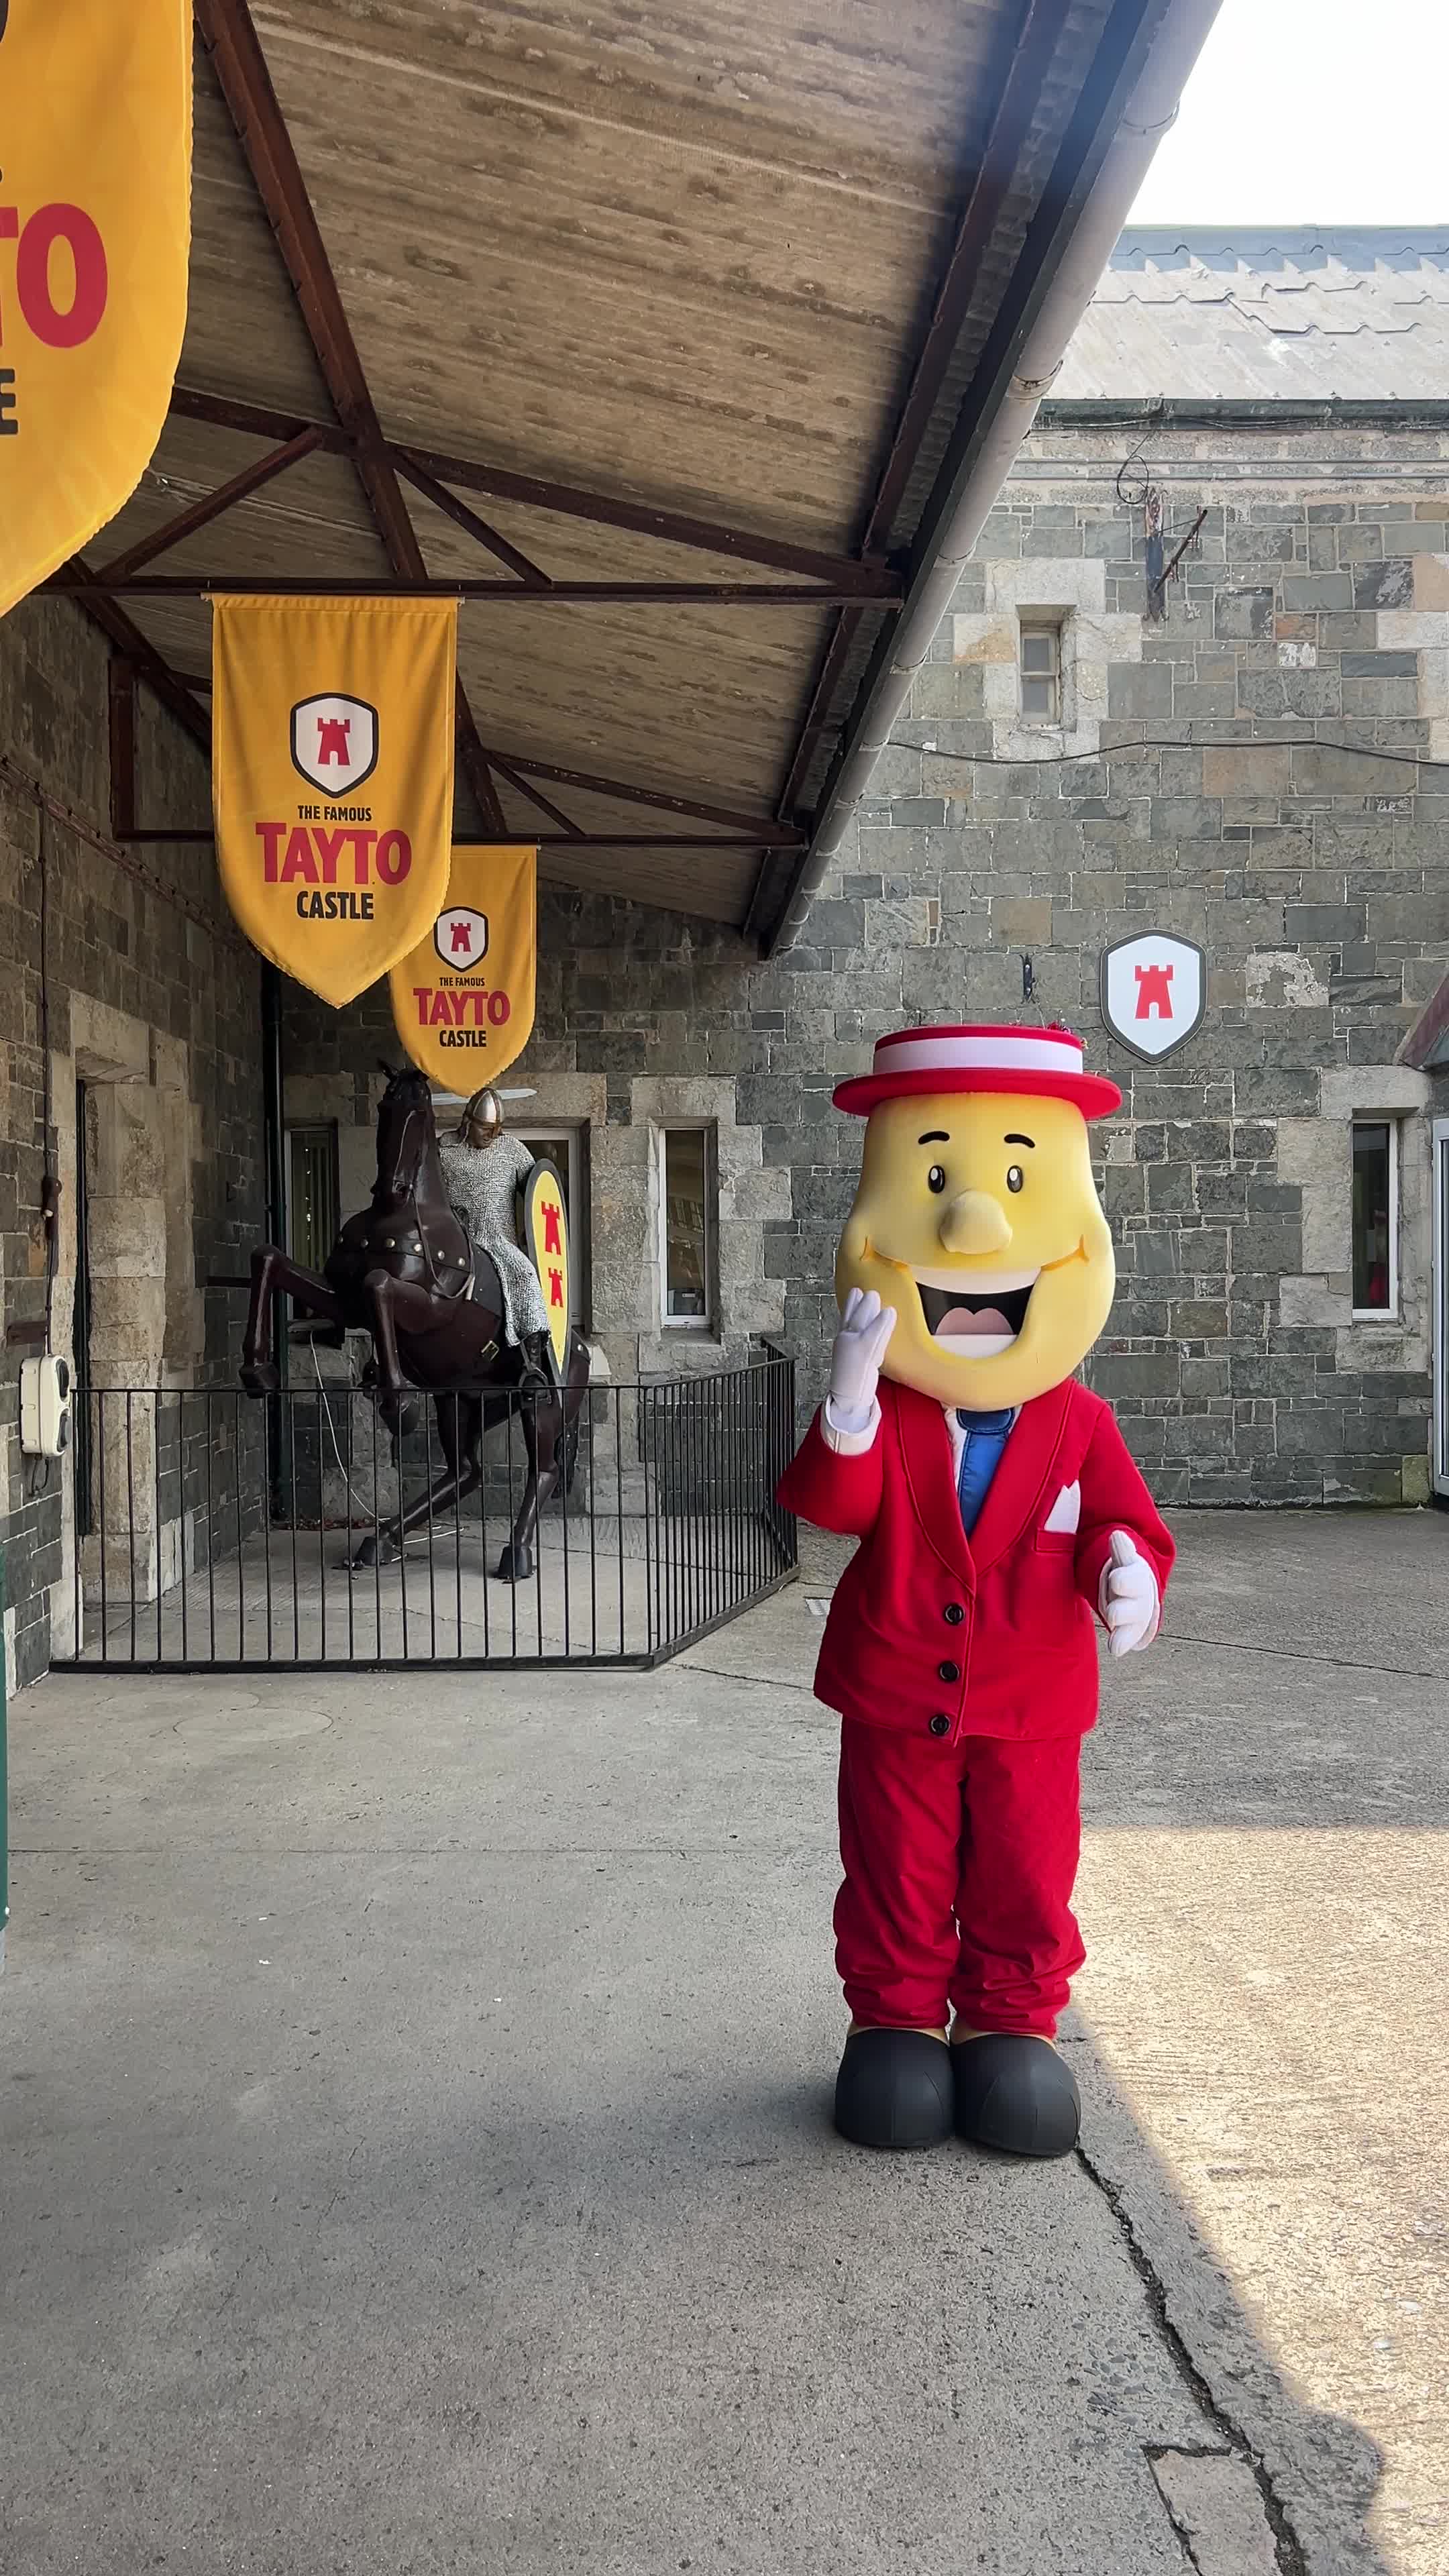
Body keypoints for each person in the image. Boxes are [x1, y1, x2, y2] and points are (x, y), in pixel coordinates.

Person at [777, 1021, 1174, 2161]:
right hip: (896, 1692)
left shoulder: (1080, 1421)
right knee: (894, 1869)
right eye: (939, 1179)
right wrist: (851, 1402)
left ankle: (1010, 2021)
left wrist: (1126, 1568)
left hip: (1031, 1708)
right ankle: (895, 2019)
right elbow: (833, 1506)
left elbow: (1124, 1523)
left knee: (1026, 1869)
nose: (973, 1224)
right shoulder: (890, 1411)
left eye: (1014, 1179)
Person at [437, 1088, 553, 1392]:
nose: (493, 1135)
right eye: (487, 1128)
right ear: (468, 1122)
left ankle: (533, 1364)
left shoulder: (511, 1150)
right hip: (455, 1242)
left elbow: (538, 1191)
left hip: (499, 1242)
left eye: (498, 1129)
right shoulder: (444, 1151)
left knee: (525, 1275)